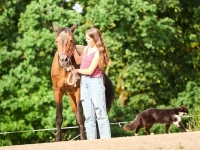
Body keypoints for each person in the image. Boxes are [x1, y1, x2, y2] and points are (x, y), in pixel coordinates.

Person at [72, 28, 111, 140]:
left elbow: (89, 71)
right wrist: (73, 48)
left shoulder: (98, 52)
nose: (86, 40)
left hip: (95, 82)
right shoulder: (87, 48)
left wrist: (77, 71)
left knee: (100, 113)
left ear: (94, 39)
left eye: (88, 39)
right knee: (89, 115)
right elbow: (79, 61)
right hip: (84, 83)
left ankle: (106, 141)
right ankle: (91, 143)